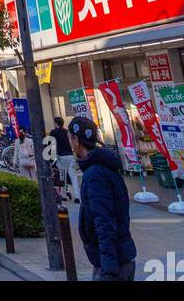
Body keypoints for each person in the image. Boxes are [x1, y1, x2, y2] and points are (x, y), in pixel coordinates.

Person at [68, 115, 136, 281]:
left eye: (70, 138)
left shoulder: (95, 174)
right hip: (118, 256)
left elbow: (104, 221)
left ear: (76, 140)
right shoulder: (104, 166)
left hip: (112, 262)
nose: (70, 143)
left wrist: (109, 270)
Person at [49, 114, 80, 203]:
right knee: (73, 177)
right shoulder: (67, 132)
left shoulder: (53, 132)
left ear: (56, 124)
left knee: (62, 177)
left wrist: (51, 158)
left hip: (60, 157)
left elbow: (51, 145)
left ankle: (64, 195)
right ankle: (77, 196)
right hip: (70, 156)